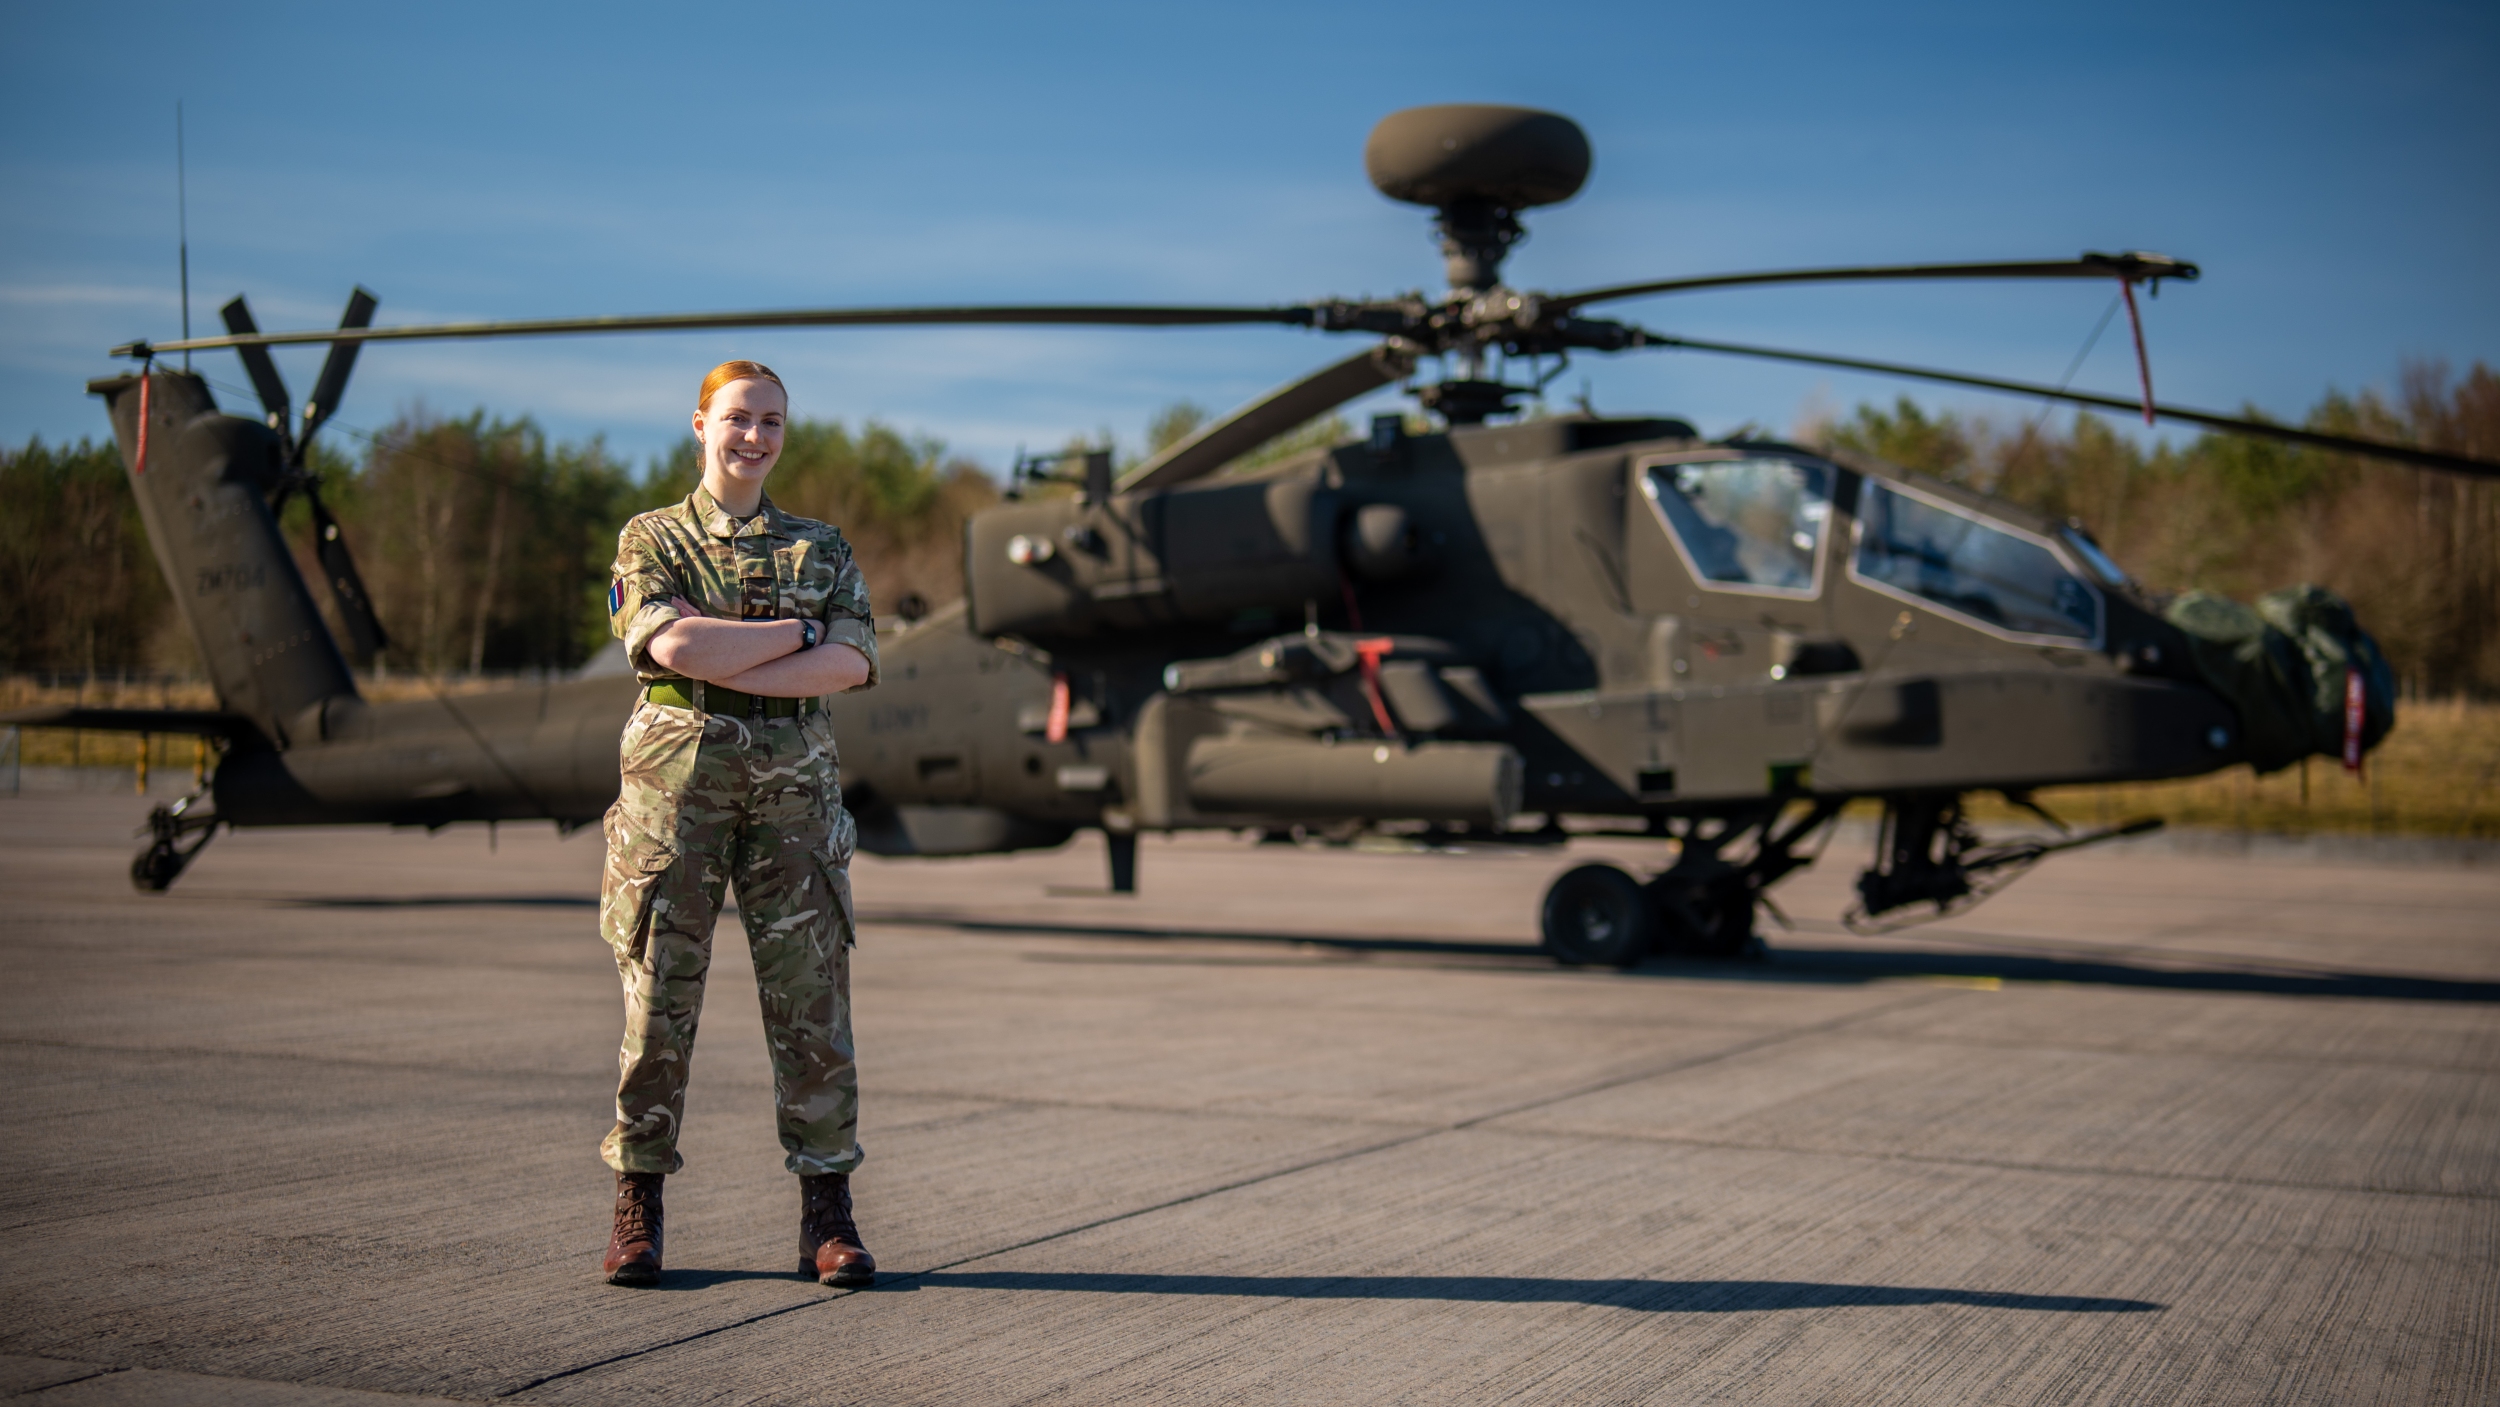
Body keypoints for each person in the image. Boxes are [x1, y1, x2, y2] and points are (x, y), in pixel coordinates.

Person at [595, 359, 879, 1288]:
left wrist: (733, 656)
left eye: (771, 421)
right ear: (699, 424)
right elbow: (667, 643)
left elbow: (851, 665)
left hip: (796, 799)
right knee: (658, 998)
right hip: (676, 797)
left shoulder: (820, 548)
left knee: (812, 1005)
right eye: (737, 418)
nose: (753, 436)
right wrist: (795, 638)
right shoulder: (653, 539)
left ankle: (826, 1215)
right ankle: (638, 1205)